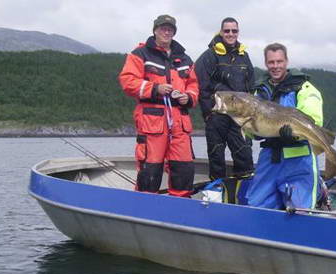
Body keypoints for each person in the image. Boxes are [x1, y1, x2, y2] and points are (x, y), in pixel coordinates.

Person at [118, 14, 199, 197]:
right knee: (150, 170)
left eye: (170, 29)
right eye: (162, 28)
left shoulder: (185, 59)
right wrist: (155, 88)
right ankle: (145, 210)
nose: (166, 32)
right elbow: (127, 81)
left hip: (180, 123)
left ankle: (180, 209)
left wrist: (189, 97)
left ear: (174, 33)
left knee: (184, 168)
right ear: (155, 30)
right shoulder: (140, 54)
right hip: (152, 122)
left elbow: (193, 84)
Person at [247, 42, 324, 210]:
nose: (275, 66)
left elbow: (315, 120)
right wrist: (253, 132)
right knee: (256, 207)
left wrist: (295, 134)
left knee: (300, 212)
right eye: (271, 62)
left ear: (286, 62)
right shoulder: (258, 92)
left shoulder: (304, 87)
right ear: (266, 64)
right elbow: (252, 132)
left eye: (279, 62)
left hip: (299, 160)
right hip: (270, 158)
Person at [195, 17, 254, 180]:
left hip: (240, 118)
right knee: (216, 159)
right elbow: (201, 87)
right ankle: (216, 197)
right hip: (217, 117)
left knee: (245, 157)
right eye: (227, 30)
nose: (230, 34)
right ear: (221, 32)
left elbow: (251, 86)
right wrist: (209, 114)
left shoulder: (244, 56)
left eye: (234, 31)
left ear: (238, 32)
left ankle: (243, 196)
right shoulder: (209, 56)